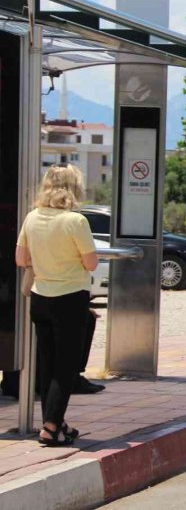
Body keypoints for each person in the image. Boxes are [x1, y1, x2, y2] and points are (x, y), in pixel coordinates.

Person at [15, 165, 98, 446]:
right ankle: (51, 428)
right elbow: (91, 263)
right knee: (66, 367)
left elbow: (20, 258)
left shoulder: (32, 217)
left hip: (40, 297)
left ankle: (55, 423)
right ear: (73, 188)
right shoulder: (76, 221)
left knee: (47, 363)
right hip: (70, 297)